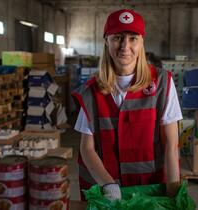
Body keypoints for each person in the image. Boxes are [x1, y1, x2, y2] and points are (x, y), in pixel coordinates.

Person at [72, 9, 182, 201]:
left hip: (151, 187)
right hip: (107, 188)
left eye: (133, 38)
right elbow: (87, 149)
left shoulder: (162, 83)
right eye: (118, 38)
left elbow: (171, 145)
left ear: (141, 44)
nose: (125, 46)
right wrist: (108, 185)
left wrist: (174, 194)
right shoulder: (90, 91)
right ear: (107, 41)